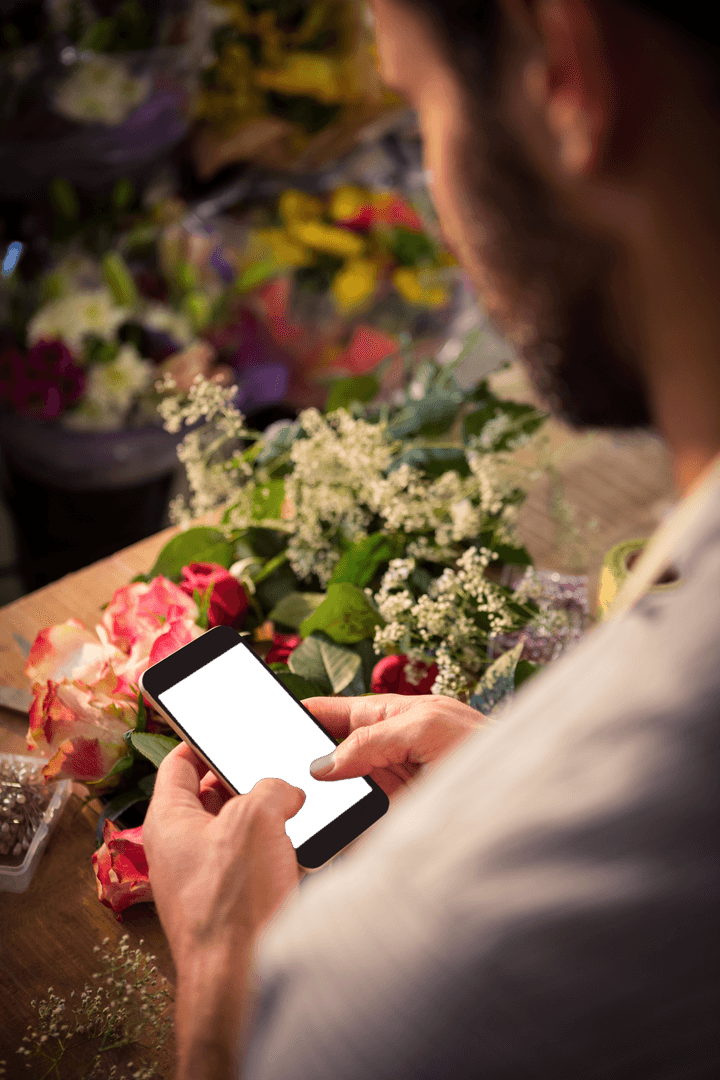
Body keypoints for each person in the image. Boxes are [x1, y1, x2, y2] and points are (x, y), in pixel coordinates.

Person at [142, 1, 720, 1076]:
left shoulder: (407, 980)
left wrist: (226, 993)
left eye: (417, 107)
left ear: (565, 70)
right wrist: (514, 769)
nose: (436, 208)